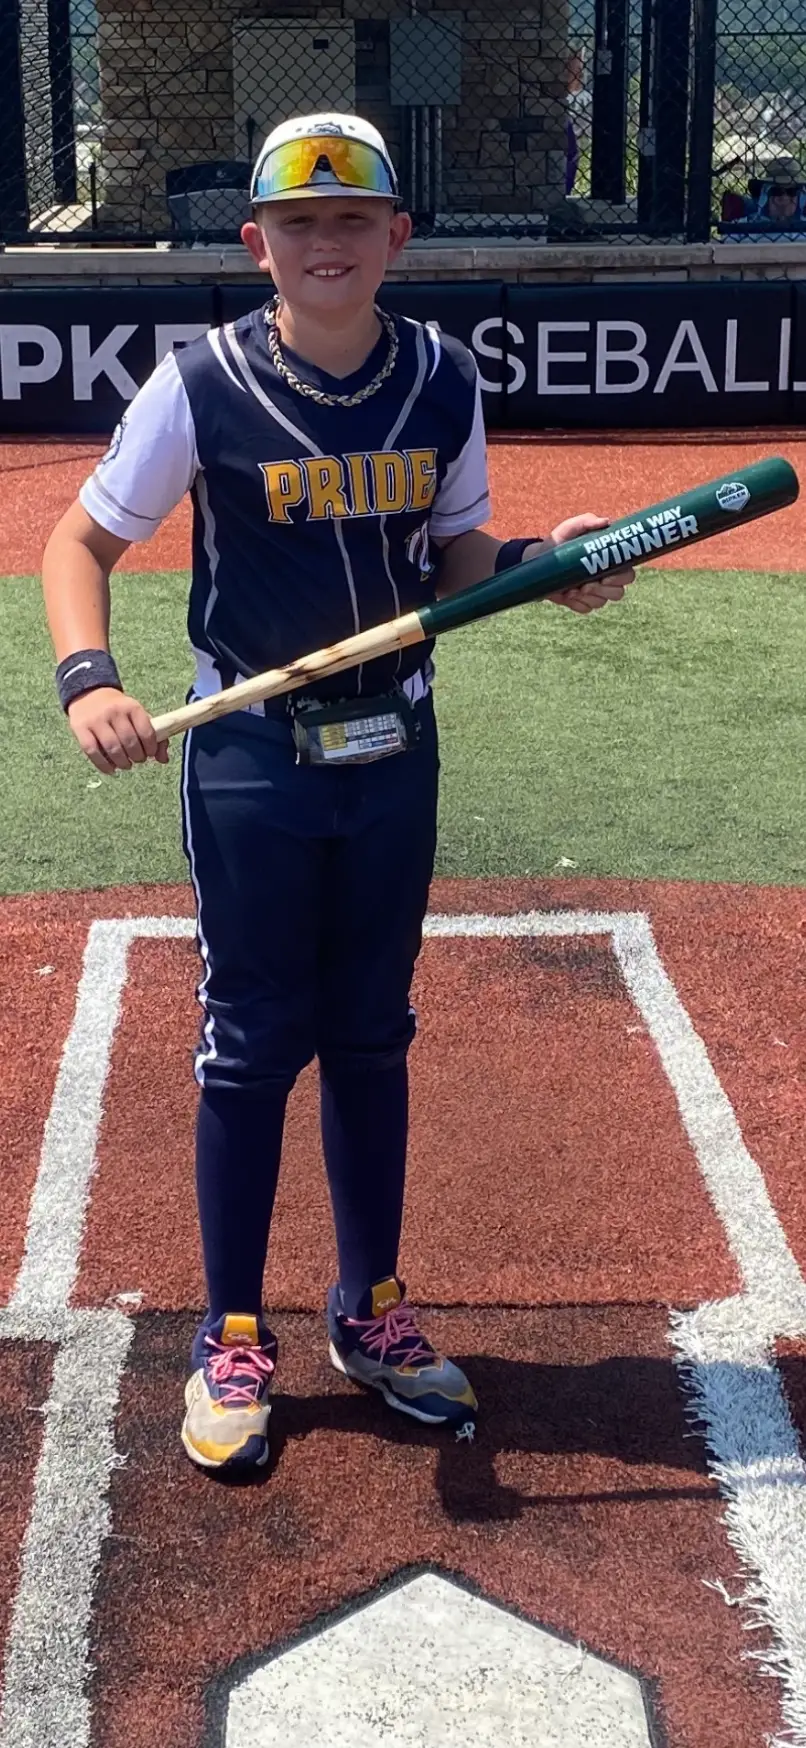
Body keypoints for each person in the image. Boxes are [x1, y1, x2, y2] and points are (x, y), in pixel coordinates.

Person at [41, 112, 633, 1475]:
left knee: (370, 1033)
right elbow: (81, 541)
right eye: (297, 223)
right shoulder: (199, 385)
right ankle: (232, 1330)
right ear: (257, 244)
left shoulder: (440, 376)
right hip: (251, 758)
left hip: (394, 748)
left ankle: (369, 1308)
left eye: (352, 219)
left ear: (395, 237)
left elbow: (458, 559)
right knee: (252, 1041)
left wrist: (549, 568)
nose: (326, 242)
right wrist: (89, 680)